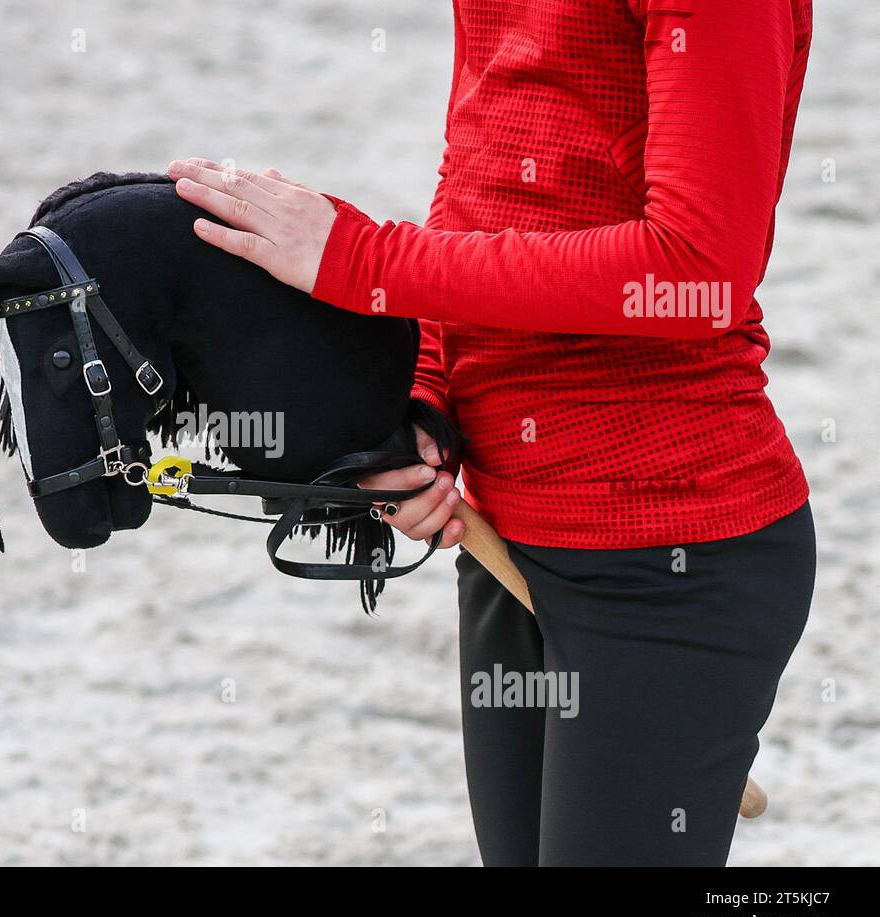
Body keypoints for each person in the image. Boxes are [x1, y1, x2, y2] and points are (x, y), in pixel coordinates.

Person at [165, 0, 816, 866]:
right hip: (505, 539)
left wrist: (368, 264)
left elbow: (699, 270)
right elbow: (486, 182)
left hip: (672, 557)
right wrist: (429, 394)